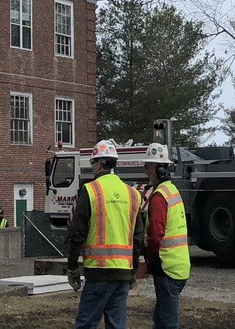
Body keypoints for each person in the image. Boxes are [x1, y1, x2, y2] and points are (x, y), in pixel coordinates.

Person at [65, 140, 144, 329]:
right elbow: (137, 237)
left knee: (86, 324)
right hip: (122, 273)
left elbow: (77, 233)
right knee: (116, 325)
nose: (92, 168)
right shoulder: (133, 194)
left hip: (99, 272)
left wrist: (72, 266)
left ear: (99, 164)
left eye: (92, 163)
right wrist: (132, 270)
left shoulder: (91, 190)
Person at [141, 143, 190, 329]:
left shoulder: (159, 197)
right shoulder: (172, 191)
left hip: (167, 267)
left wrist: (149, 261)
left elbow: (155, 236)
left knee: (167, 323)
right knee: (161, 319)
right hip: (178, 266)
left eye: (148, 166)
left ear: (158, 169)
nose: (145, 170)